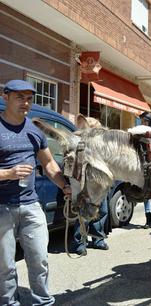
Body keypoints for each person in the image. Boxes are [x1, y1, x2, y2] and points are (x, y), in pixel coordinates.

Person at [0, 79, 72, 305]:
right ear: (5, 97)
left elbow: (50, 164)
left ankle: (42, 301)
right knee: (5, 265)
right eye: (19, 97)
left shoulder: (33, 130)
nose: (25, 103)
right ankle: (9, 302)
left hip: (31, 205)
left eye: (29, 98)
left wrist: (65, 185)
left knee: (40, 259)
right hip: (2, 207)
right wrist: (8, 173)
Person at [71, 114, 110, 255]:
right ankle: (79, 243)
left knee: (103, 211)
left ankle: (97, 239)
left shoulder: (101, 145)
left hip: (100, 184)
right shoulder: (78, 143)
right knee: (84, 213)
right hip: (85, 184)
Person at [139, 111, 151, 230]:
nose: (143, 123)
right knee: (146, 193)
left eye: (145, 121)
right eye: (142, 121)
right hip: (144, 165)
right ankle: (149, 219)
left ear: (150, 121)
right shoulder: (140, 133)